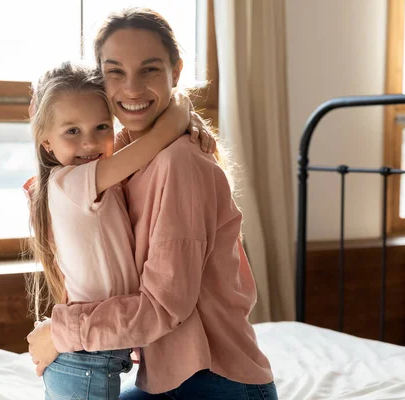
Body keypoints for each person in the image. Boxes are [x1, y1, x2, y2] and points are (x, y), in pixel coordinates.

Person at [27, 8, 278, 400]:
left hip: (217, 382)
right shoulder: (125, 152)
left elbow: (161, 309)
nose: (131, 88)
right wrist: (181, 114)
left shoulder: (179, 162)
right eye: (115, 72)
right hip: (169, 382)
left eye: (149, 70)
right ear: (100, 82)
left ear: (175, 72)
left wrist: (59, 333)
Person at [24, 61, 214, 400]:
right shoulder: (72, 182)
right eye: (72, 131)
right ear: (46, 142)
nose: (90, 142)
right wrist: (182, 110)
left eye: (101, 127)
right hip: (84, 356)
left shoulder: (96, 178)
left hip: (93, 349)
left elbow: (141, 143)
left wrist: (187, 120)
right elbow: (152, 142)